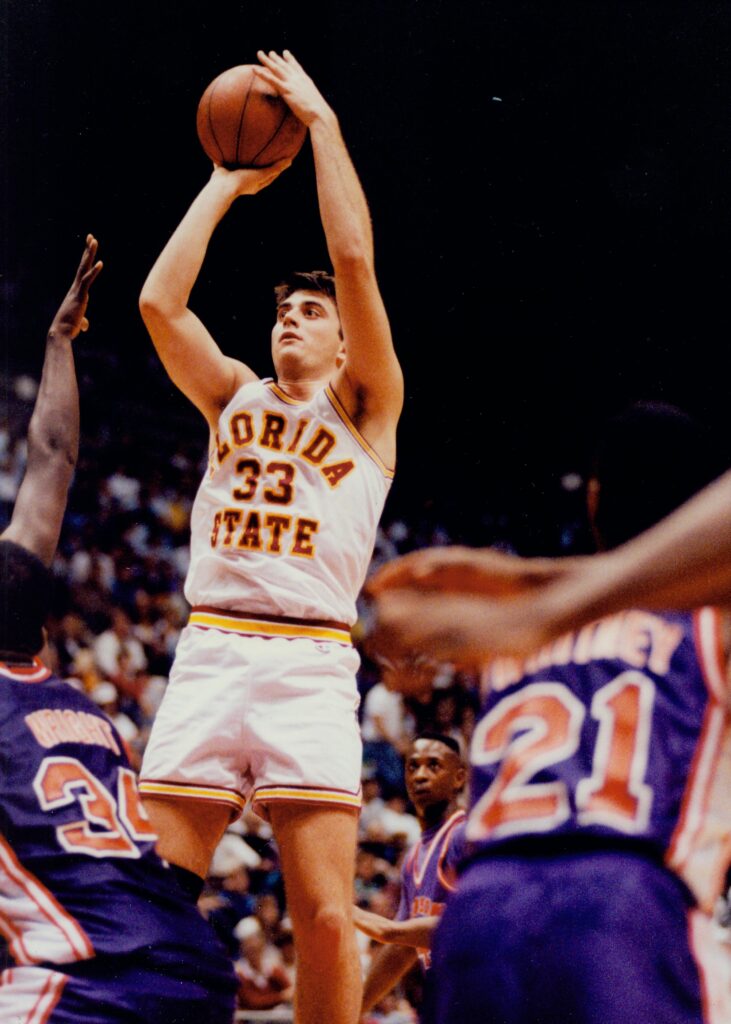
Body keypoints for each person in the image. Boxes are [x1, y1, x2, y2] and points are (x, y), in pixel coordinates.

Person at [137, 49, 403, 1024]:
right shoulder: (232, 395)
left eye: (310, 313)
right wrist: (225, 183)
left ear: (343, 342)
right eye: (283, 310)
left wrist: (322, 126)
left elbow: (354, 261)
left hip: (307, 662)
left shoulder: (366, 407)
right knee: (155, 898)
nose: (292, 320)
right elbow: (159, 306)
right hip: (212, 648)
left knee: (325, 918)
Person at [368, 402, 731, 1024]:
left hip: (481, 912)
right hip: (623, 901)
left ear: (593, 499)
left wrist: (531, 584)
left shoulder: (508, 638)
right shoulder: (709, 623)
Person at [0, 238, 236, 1023]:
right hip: (194, 966)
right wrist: (59, 343)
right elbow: (54, 459)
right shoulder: (80, 708)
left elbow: (49, 465)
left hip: (93, 979)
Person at [357, 734, 467, 1018]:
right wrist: (354, 1010)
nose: (420, 775)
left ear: (459, 777)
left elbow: (472, 923)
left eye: (434, 765)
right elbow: (402, 949)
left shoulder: (464, 835)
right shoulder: (413, 857)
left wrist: (388, 930)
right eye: (413, 766)